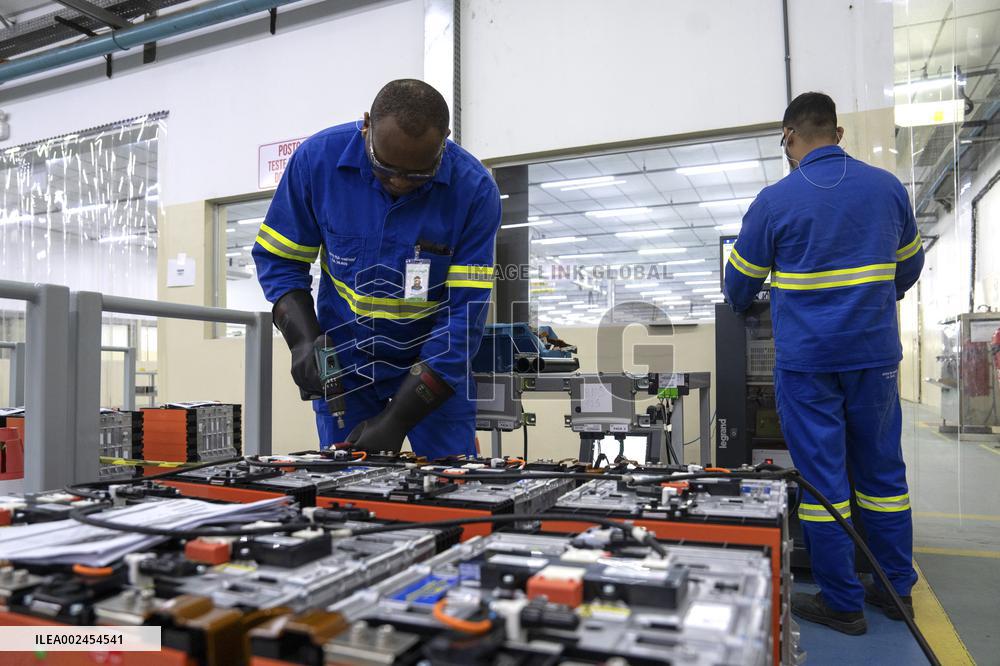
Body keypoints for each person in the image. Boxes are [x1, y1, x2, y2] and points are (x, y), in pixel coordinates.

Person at [724, 92, 924, 635]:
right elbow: (909, 269)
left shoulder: (775, 201)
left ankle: (842, 602)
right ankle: (895, 591)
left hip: (808, 364)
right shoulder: (887, 189)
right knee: (883, 473)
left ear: (789, 138)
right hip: (875, 358)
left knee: (822, 483)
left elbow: (738, 284)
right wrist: (871, 302)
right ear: (837, 134)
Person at [253, 79, 501, 458]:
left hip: (432, 365)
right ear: (366, 125)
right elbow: (280, 259)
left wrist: (397, 420)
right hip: (345, 365)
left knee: (451, 480)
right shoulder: (317, 162)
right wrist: (302, 339)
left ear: (444, 142)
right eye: (385, 169)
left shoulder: (474, 192)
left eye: (417, 176)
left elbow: (463, 316)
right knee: (346, 482)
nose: (399, 182)